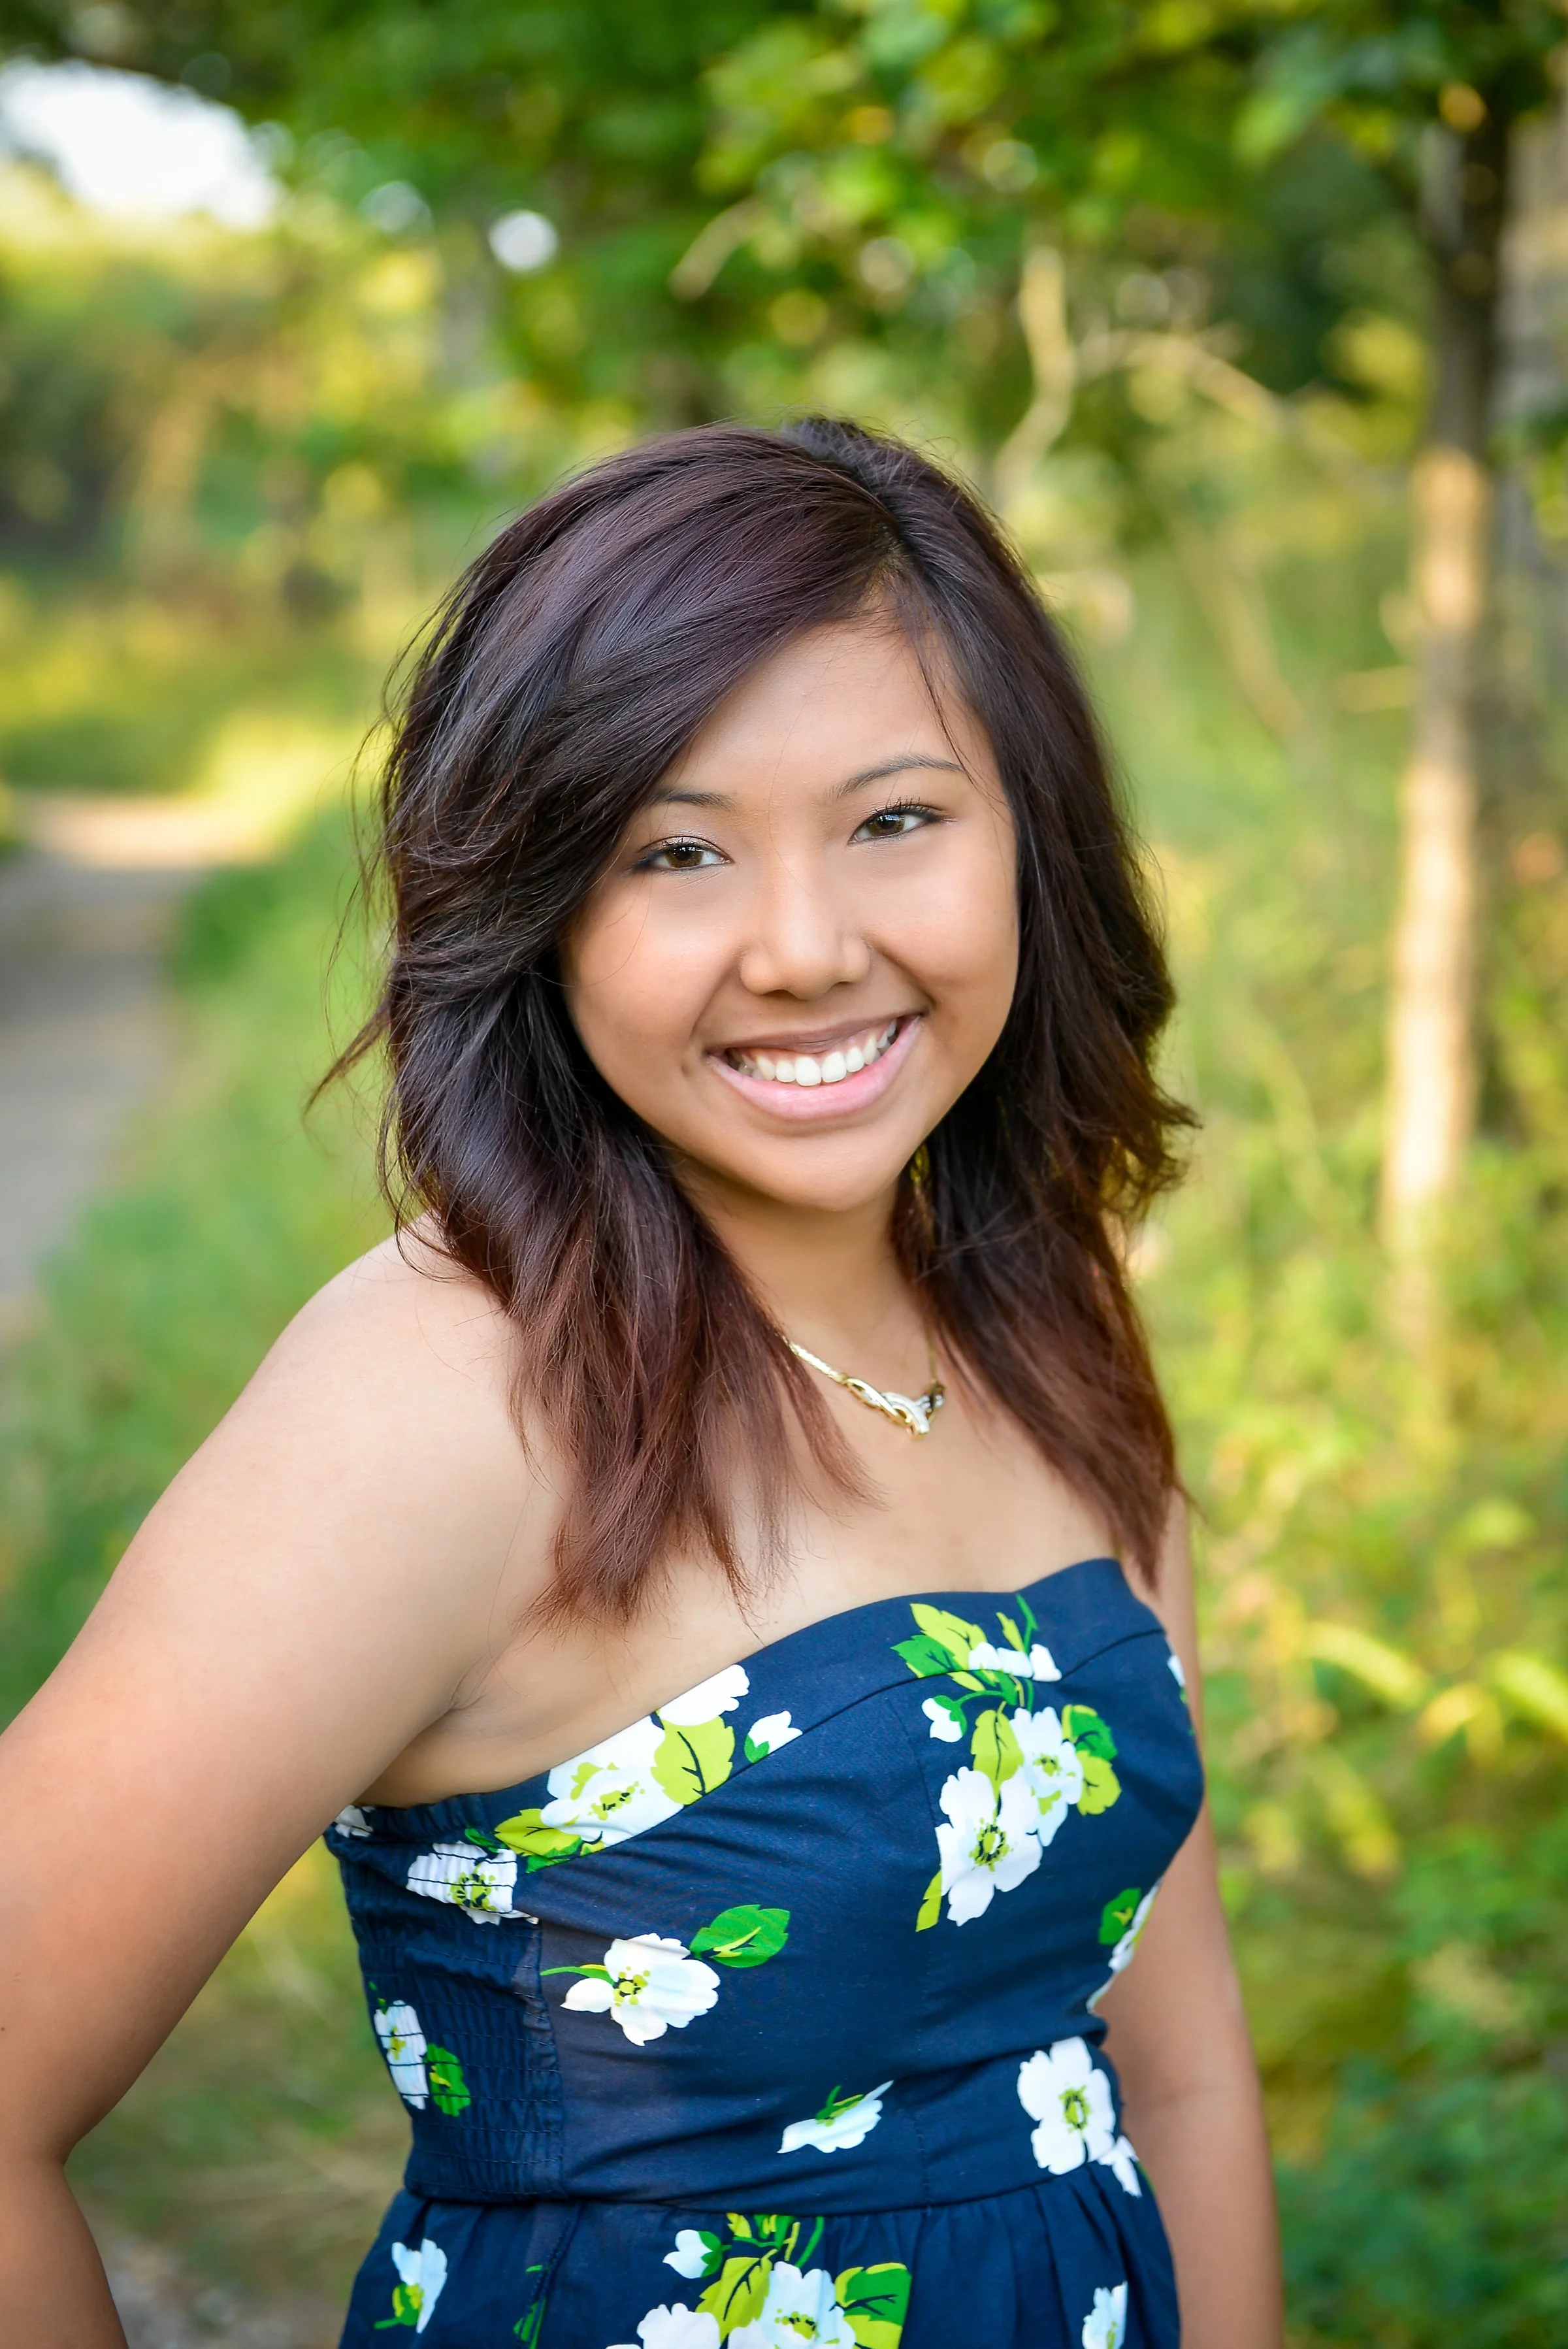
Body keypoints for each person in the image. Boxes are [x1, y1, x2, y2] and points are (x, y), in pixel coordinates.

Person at [0, 419, 1281, 2348]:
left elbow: (1171, 2076)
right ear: (542, 907)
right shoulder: (444, 1395)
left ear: (1036, 837)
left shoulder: (1040, 1310)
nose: (803, 948)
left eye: (898, 820)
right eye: (676, 853)